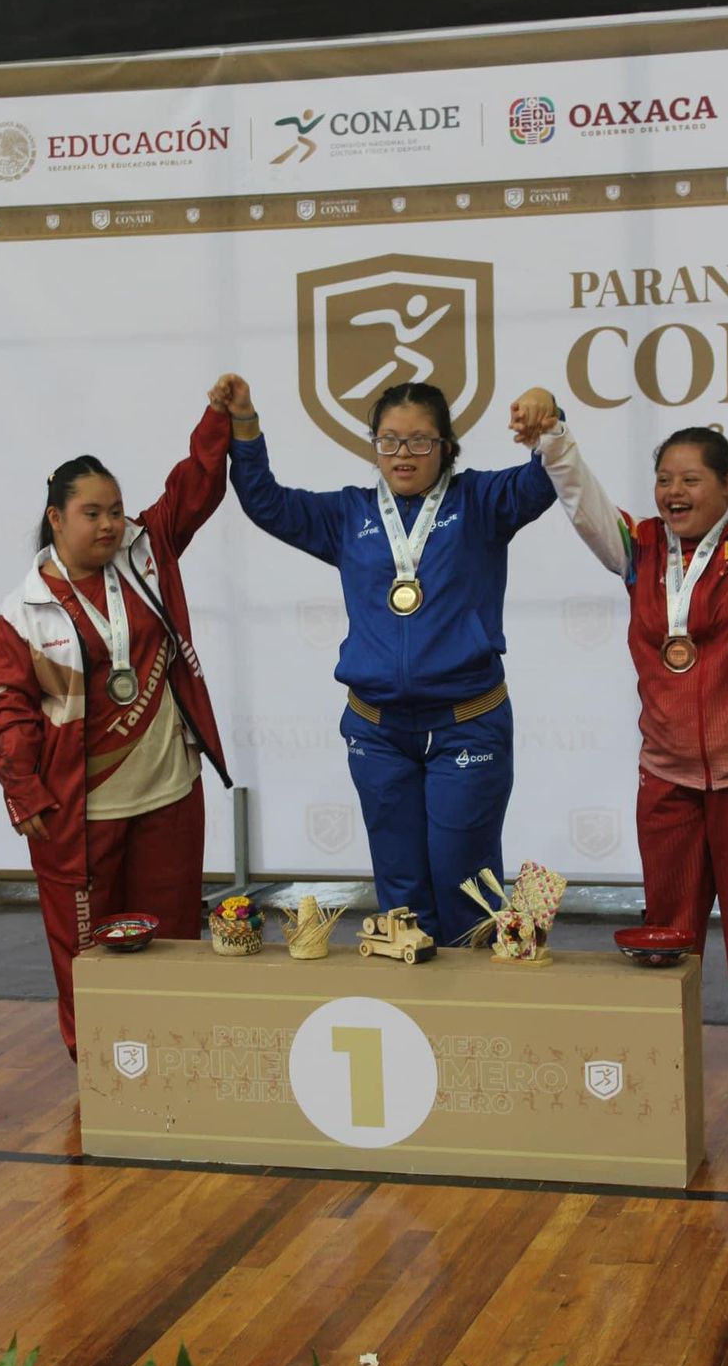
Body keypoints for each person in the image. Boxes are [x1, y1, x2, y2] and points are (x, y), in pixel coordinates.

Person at [512, 374, 728, 1094]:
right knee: (667, 920)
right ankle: (661, 1035)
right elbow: (582, 501)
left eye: (691, 479)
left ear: (727, 486)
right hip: (667, 771)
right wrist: (554, 436)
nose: (673, 491)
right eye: (664, 479)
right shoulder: (638, 548)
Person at [212, 372, 562, 946]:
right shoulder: (348, 514)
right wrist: (245, 425)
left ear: (446, 446)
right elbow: (265, 502)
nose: (403, 454)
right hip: (377, 732)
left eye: (420, 441)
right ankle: (415, 1000)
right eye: (389, 440)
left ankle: (475, 1000)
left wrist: (550, 419)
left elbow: (545, 479)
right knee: (400, 893)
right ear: (373, 445)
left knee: (465, 884)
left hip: (467, 724)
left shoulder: (481, 502)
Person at [0, 409, 233, 1059]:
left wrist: (219, 418)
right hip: (81, 810)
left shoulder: (146, 551)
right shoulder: (24, 612)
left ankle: (176, 1055)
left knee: (172, 938)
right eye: (92, 513)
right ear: (56, 518)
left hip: (168, 790)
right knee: (88, 954)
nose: (108, 524)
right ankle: (101, 1069)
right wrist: (24, 791)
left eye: (116, 511)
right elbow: (10, 709)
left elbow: (196, 487)